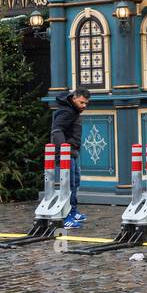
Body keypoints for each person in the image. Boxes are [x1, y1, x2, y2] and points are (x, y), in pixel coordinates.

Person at [51, 88, 90, 229]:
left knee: (75, 181)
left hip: (71, 152)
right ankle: (66, 216)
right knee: (69, 185)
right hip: (66, 154)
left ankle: (72, 212)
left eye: (86, 103)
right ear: (74, 98)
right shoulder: (67, 111)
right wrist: (64, 150)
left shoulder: (73, 110)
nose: (84, 106)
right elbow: (56, 130)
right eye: (82, 102)